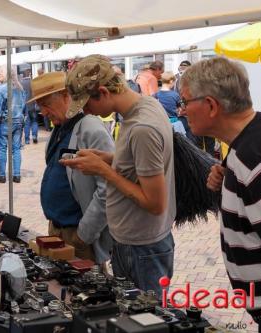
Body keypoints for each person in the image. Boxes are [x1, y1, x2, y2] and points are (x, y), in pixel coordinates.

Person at [62, 55, 176, 297]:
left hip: (142, 247)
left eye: (86, 105)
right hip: (136, 243)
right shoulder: (143, 108)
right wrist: (108, 158)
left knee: (145, 320)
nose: (85, 112)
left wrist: (103, 171)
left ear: (102, 92)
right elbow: (140, 163)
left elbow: (155, 204)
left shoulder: (142, 127)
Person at [181, 57, 261, 333]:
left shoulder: (255, 164)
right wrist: (229, 183)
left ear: (211, 105)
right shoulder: (258, 131)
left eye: (186, 101)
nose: (182, 110)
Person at [28, 71, 114, 263]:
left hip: (78, 233)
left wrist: (85, 233)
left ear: (66, 96)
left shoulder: (90, 128)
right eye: (39, 105)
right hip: (58, 229)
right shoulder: (59, 128)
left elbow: (108, 187)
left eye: (45, 104)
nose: (42, 112)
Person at [0, 67, 26, 184]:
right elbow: (24, 107)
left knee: (2, 148)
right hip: (18, 121)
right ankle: (16, 175)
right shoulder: (20, 88)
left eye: (0, 72)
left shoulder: (1, 89)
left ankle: (2, 175)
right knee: (16, 149)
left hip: (5, 122)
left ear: (6, 75)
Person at [21, 70, 39, 144]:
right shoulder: (33, 82)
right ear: (29, 75)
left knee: (27, 123)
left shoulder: (21, 83)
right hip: (33, 105)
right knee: (34, 121)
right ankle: (34, 136)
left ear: (23, 76)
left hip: (25, 106)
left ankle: (27, 139)